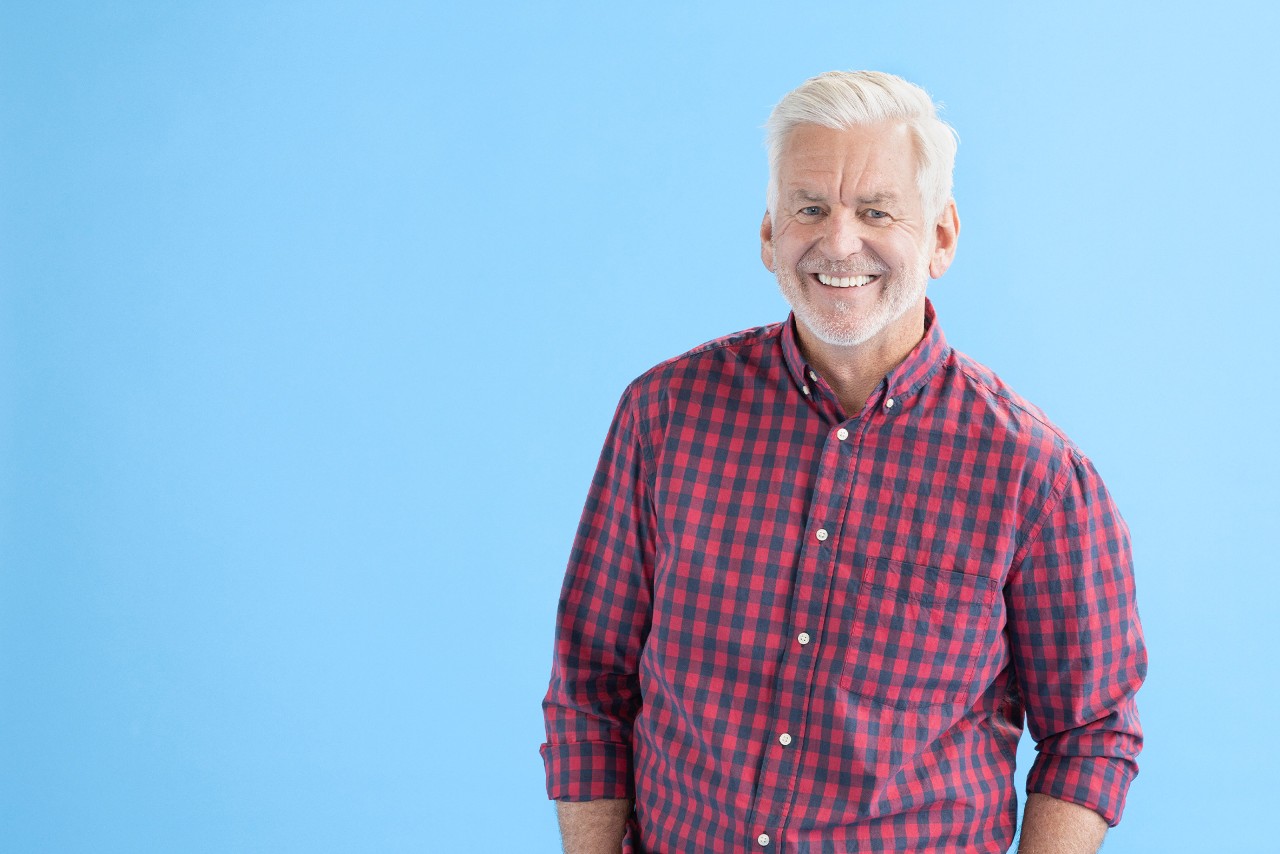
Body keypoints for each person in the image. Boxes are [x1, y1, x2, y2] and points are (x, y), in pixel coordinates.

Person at [540, 70, 1146, 853]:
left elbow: (1091, 734)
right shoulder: (663, 416)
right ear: (768, 234)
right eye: (810, 209)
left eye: (877, 211)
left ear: (941, 237)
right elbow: (590, 683)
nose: (838, 242)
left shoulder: (1036, 476)